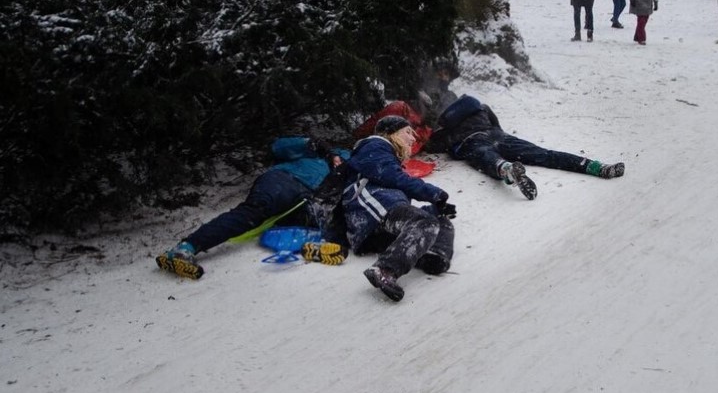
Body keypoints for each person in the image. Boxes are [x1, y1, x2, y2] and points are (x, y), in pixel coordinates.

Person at [155, 136, 351, 279]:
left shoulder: (353, 161)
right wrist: (310, 143)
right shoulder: (317, 153)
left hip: (308, 198)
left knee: (320, 222)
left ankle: (316, 248)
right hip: (284, 181)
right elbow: (277, 147)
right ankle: (185, 248)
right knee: (253, 213)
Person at [307, 116, 456, 302]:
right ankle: (385, 269)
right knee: (424, 222)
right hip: (368, 216)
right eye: (408, 132)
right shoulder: (375, 146)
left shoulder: (388, 157)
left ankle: (432, 255)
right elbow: (393, 178)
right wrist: (434, 194)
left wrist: (436, 208)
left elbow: (399, 199)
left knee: (440, 221)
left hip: (382, 220)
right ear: (391, 133)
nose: (413, 138)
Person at [425, 96, 625, 201]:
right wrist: (498, 133)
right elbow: (494, 119)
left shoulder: (445, 128)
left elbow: (436, 145)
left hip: (473, 141)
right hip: (499, 136)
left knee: (486, 157)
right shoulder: (478, 109)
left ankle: (507, 169)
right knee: (544, 154)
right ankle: (597, 167)